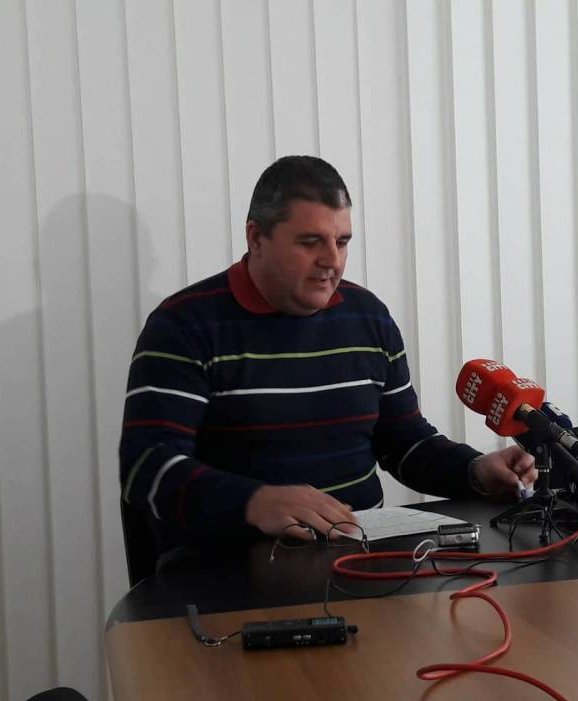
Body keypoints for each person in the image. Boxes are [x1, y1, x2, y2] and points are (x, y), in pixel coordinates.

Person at [119, 155, 536, 551]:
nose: (332, 261)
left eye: (342, 241)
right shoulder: (183, 326)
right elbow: (146, 467)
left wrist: (475, 471)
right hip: (229, 569)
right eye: (311, 242)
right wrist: (254, 502)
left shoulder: (368, 317)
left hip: (361, 558)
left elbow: (404, 442)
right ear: (256, 238)